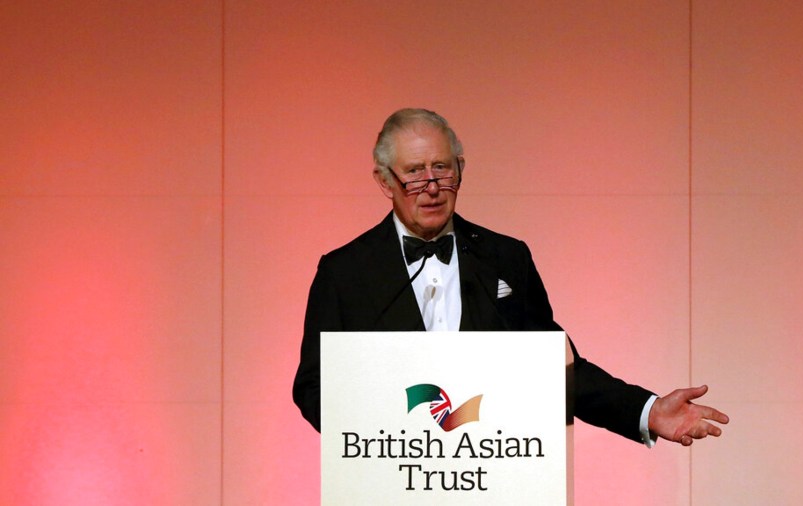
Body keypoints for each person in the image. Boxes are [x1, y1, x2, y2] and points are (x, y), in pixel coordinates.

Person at [292, 108, 728, 447]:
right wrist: (380, 444)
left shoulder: (506, 258)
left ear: (460, 168)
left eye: (442, 168)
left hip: (492, 481)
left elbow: (556, 366)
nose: (431, 185)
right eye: (414, 171)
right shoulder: (343, 272)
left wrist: (647, 411)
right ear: (384, 180)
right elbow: (313, 387)